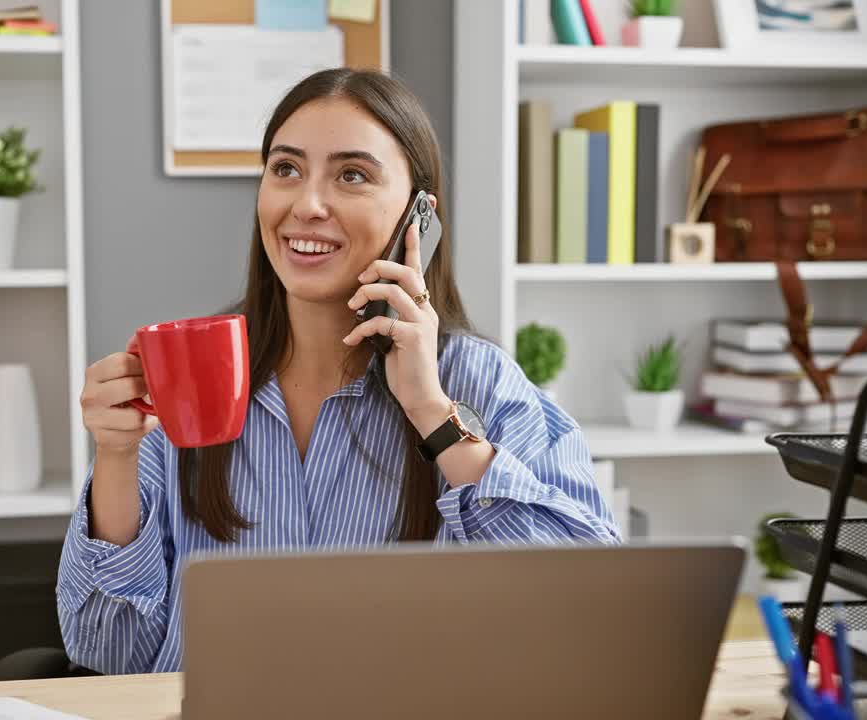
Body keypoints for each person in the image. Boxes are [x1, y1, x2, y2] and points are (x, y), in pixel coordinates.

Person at [58, 68, 619, 675]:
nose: (307, 205)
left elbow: (587, 613)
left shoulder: (477, 381)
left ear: (418, 217)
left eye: (352, 175)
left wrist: (432, 413)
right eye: (286, 170)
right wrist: (115, 457)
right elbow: (106, 653)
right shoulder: (187, 372)